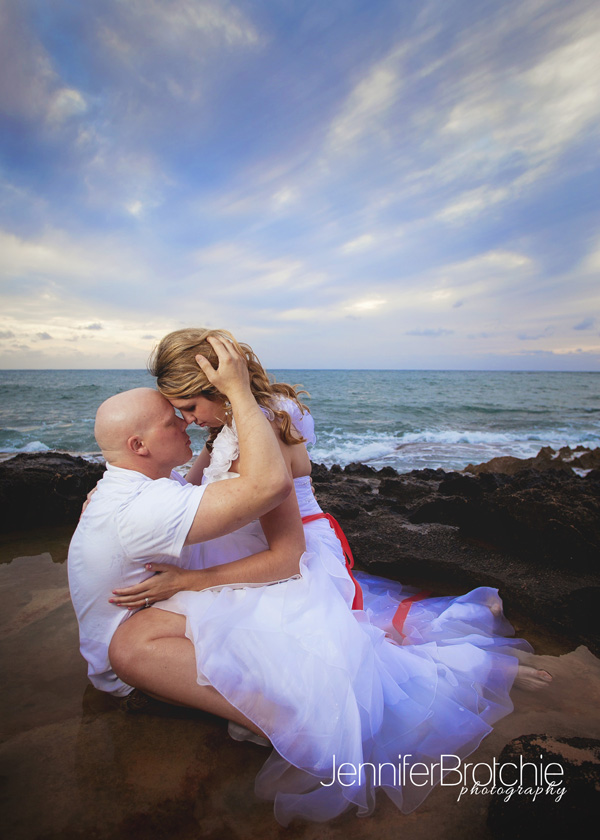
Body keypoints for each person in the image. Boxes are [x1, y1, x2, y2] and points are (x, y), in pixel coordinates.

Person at [109, 328, 552, 826]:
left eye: (190, 407)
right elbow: (187, 490)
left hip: (283, 560)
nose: (187, 422)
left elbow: (284, 557)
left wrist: (189, 581)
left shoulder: (262, 430)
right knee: (223, 641)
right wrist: (120, 495)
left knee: (328, 661)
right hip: (251, 549)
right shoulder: (226, 426)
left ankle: (445, 679)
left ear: (220, 388)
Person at [68, 336, 302, 737]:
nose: (185, 422)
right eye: (172, 419)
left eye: (186, 410)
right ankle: (280, 723)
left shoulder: (143, 484)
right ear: (138, 446)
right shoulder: (142, 506)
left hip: (159, 621)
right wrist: (238, 390)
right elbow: (267, 486)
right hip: (139, 667)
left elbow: (199, 486)